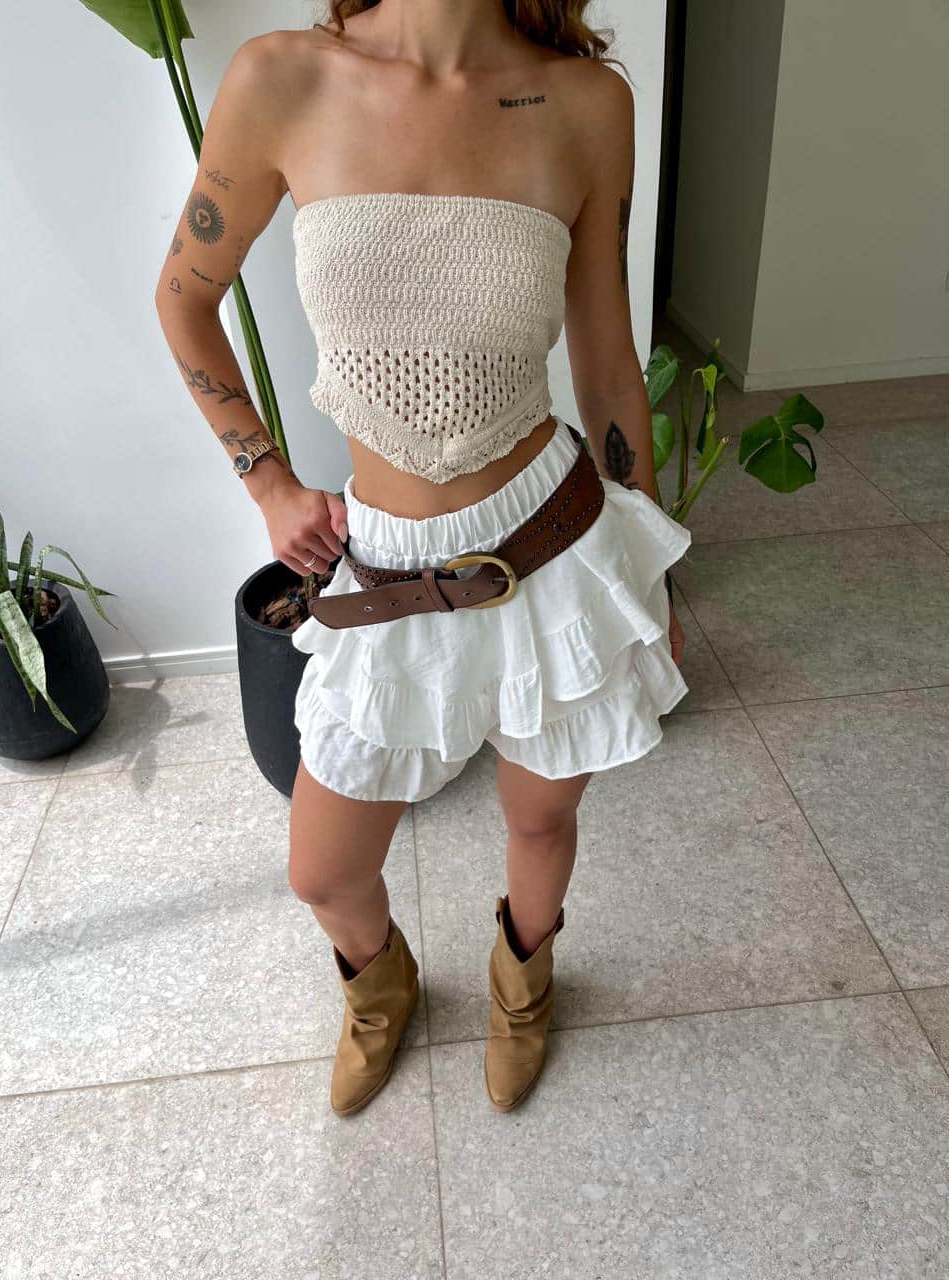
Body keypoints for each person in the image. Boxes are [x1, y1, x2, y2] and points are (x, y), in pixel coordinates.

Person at [154, 0, 691, 1118]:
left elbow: (606, 360)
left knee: (540, 818)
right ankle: (380, 986)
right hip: (383, 570)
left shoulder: (586, 102)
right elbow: (185, 298)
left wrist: (649, 571)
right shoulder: (284, 80)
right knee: (324, 869)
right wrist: (268, 481)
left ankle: (523, 981)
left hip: (551, 543)